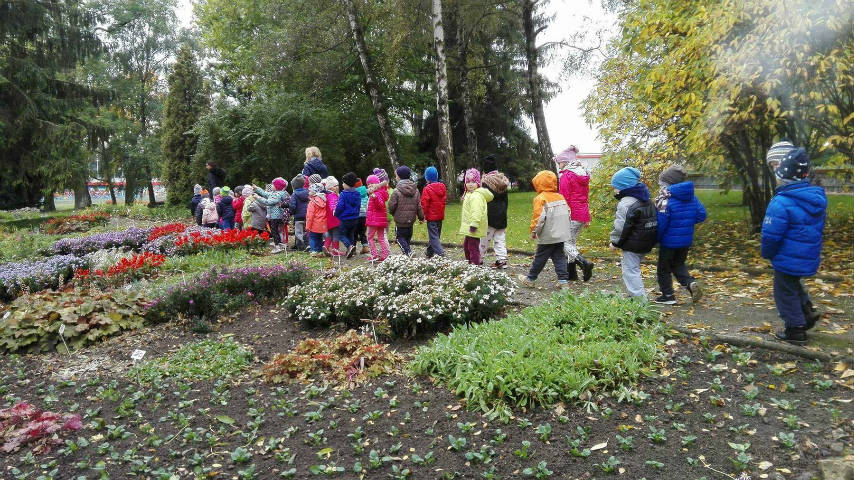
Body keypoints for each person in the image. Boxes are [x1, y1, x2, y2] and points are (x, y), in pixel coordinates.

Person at [761, 147, 826, 345]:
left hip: (785, 257)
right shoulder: (815, 198)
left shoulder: (781, 202)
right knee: (793, 285)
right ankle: (807, 311)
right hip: (806, 256)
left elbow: (771, 236)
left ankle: (796, 329)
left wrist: (767, 253)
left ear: (784, 177)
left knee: (784, 293)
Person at [654, 165, 707, 305]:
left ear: (669, 183)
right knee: (678, 265)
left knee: (663, 269)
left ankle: (668, 296)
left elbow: (662, 222)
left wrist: (656, 238)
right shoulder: (691, 197)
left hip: (668, 242)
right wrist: (687, 222)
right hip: (685, 241)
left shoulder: (666, 198)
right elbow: (702, 215)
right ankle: (690, 283)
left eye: (663, 184)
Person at [608, 167, 658, 300]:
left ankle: (639, 300)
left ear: (624, 187)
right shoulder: (646, 199)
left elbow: (621, 226)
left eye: (616, 187)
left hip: (633, 244)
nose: (614, 190)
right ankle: (635, 295)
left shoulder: (626, 203)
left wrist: (615, 242)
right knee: (634, 268)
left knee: (630, 271)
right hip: (646, 241)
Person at [516, 170, 571, 288]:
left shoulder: (540, 198)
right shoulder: (560, 196)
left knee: (540, 257)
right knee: (559, 256)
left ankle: (530, 278)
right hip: (561, 233)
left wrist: (534, 231)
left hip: (547, 235)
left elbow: (539, 217)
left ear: (538, 183)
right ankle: (563, 281)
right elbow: (568, 212)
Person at [555, 147, 594, 281]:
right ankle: (572, 273)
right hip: (582, 213)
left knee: (563, 243)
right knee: (571, 242)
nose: (558, 165)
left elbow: (563, 197)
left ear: (565, 162)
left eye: (559, 163)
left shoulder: (567, 176)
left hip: (571, 213)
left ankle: (583, 263)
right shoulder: (582, 175)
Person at [388, 166, 424, 256]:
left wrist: (393, 213)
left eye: (396, 176)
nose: (396, 178)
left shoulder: (396, 191)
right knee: (407, 238)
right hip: (411, 221)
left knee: (399, 238)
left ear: (399, 177)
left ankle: (408, 252)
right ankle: (408, 254)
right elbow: (419, 206)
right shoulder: (416, 190)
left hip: (400, 221)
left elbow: (391, 206)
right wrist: (421, 217)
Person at [459, 168, 493, 265]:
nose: (470, 184)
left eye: (473, 181)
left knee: (472, 247)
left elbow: (477, 211)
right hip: (470, 227)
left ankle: (474, 264)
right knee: (466, 245)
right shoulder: (470, 194)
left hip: (473, 227)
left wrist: (474, 224)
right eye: (468, 182)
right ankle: (469, 262)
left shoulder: (476, 196)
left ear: (478, 183)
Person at [479, 170, 510, 269]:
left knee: (483, 240)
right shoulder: (503, 187)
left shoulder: (486, 186)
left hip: (489, 218)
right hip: (501, 217)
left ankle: (478, 259)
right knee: (500, 240)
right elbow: (506, 203)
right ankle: (502, 260)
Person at [254, 177, 290, 253]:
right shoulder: (274, 193)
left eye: (273, 185)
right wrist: (257, 188)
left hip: (276, 216)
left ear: (277, 187)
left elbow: (268, 202)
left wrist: (258, 198)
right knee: (275, 230)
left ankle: (277, 246)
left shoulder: (277, 194)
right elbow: (265, 193)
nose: (271, 186)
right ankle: (279, 244)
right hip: (274, 215)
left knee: (274, 231)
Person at [421, 166, 446, 258]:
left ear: (427, 178)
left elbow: (424, 204)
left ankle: (440, 253)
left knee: (433, 236)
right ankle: (430, 251)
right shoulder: (442, 187)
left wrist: (422, 215)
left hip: (431, 217)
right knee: (436, 235)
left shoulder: (427, 189)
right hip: (440, 215)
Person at [335, 172, 362, 258]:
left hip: (345, 218)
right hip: (355, 218)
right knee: (350, 233)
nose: (342, 184)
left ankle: (349, 246)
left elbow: (340, 206)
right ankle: (351, 250)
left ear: (347, 184)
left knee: (341, 234)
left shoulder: (343, 194)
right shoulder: (357, 193)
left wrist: (336, 213)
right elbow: (358, 205)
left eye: (343, 183)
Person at [365, 174, 390, 262]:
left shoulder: (377, 193)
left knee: (370, 237)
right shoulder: (380, 192)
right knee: (380, 237)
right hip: (380, 220)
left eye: (372, 183)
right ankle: (385, 254)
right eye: (368, 184)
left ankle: (374, 255)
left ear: (377, 184)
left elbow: (380, 205)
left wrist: (374, 197)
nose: (370, 185)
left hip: (374, 221)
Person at [305, 183, 328, 257]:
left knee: (312, 237)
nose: (309, 192)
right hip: (323, 223)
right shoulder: (324, 199)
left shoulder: (312, 202)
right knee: (319, 237)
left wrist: (308, 225)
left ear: (315, 192)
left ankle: (313, 251)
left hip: (314, 224)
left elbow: (310, 215)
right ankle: (319, 251)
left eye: (310, 191)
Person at [322, 176, 341, 256]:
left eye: (337, 185)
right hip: (335, 218)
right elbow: (333, 205)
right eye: (335, 186)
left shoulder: (326, 195)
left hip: (329, 219)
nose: (337, 187)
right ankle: (335, 250)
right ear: (330, 187)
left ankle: (326, 246)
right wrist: (335, 210)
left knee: (330, 234)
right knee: (336, 234)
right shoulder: (332, 196)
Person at [290, 174, 310, 251]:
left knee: (298, 232)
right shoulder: (308, 192)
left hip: (298, 217)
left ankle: (301, 246)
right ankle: (307, 244)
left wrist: (292, 212)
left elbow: (292, 206)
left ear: (294, 186)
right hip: (307, 215)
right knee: (306, 230)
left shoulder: (294, 194)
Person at [355, 178, 370, 254]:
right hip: (364, 216)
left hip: (356, 215)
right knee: (362, 232)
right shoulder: (365, 193)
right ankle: (365, 247)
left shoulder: (354, 193)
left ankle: (353, 248)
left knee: (354, 232)